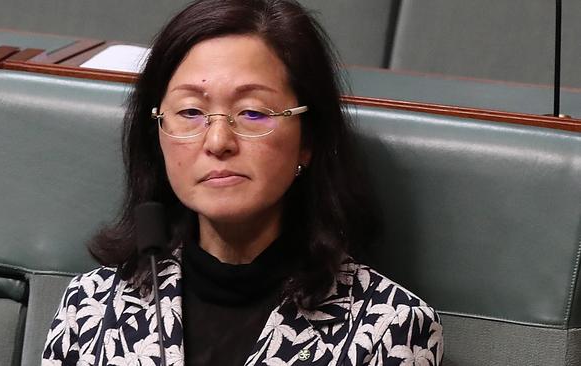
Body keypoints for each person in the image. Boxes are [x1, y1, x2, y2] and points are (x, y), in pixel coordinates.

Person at [42, 0, 444, 365]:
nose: (218, 142)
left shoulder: (390, 329)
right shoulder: (92, 309)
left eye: (252, 113)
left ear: (308, 140)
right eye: (190, 112)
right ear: (157, 134)